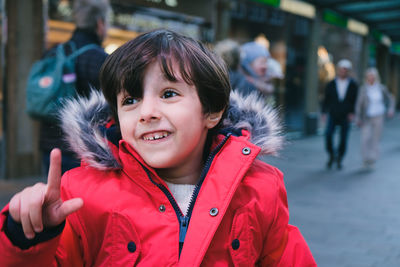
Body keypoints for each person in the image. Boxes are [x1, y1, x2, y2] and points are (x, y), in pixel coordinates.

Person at [0, 29, 316, 266]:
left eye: (168, 94)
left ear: (211, 111)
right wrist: (27, 234)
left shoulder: (260, 189)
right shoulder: (81, 194)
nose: (146, 112)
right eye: (130, 100)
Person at [39, 0, 110, 174]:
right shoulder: (102, 60)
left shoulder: (54, 53)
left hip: (49, 145)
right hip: (83, 150)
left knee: (57, 195)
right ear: (100, 23)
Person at [355, 67, 395, 170]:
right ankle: (365, 159)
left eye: (373, 76)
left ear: (376, 77)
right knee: (365, 139)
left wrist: (390, 109)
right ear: (366, 77)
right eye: (369, 76)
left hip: (379, 116)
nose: (371, 78)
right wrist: (357, 117)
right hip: (367, 117)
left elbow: (391, 99)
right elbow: (358, 104)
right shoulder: (363, 89)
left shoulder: (381, 88)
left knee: (375, 139)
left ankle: (372, 160)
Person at [322, 59, 358, 169]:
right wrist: (324, 112)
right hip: (333, 113)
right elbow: (326, 99)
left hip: (346, 115)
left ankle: (340, 158)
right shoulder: (331, 83)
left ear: (348, 71)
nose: (343, 71)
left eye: (345, 70)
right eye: (341, 69)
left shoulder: (353, 84)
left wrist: (352, 113)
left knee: (343, 138)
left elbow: (354, 100)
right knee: (328, 134)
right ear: (338, 70)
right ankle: (332, 154)